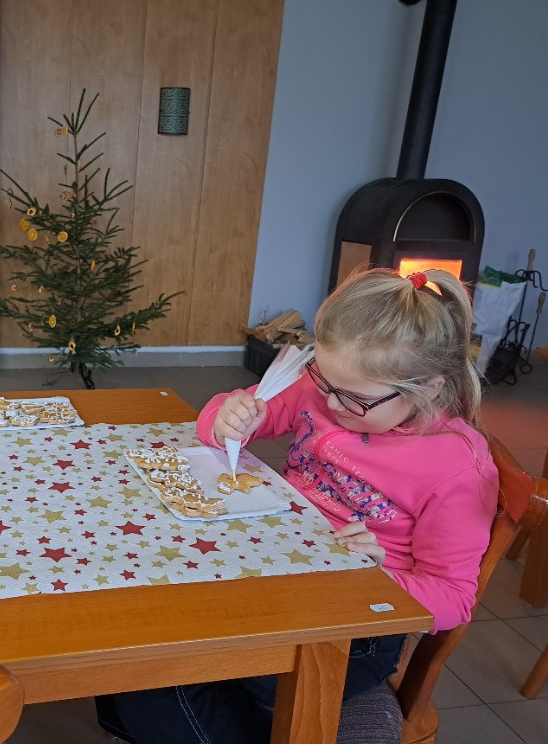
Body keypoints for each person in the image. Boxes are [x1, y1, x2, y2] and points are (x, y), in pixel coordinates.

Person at [96, 268, 499, 743]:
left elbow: (453, 598)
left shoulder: (458, 469)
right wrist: (227, 418)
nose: (333, 405)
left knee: (155, 666)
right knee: (133, 623)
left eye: (355, 400)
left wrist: (377, 575)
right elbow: (221, 424)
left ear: (428, 387)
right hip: (279, 565)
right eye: (323, 381)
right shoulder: (328, 389)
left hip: (358, 626)